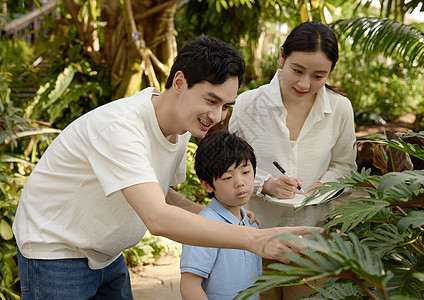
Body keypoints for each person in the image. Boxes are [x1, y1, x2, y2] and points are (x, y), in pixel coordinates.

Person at [12, 36, 320, 299]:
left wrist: (229, 220)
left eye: (225, 106)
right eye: (211, 100)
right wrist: (254, 240)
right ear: (180, 82)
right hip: (56, 251)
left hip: (106, 254)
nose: (216, 116)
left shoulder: (181, 126)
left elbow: (164, 195)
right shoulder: (121, 128)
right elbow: (158, 218)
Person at [228, 22, 357, 299]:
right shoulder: (248, 104)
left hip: (314, 243)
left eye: (318, 76)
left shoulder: (340, 109)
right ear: (282, 56)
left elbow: (346, 167)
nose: (304, 83)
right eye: (297, 70)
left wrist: (323, 185)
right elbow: (228, 167)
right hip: (255, 237)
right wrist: (265, 184)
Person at [180, 130, 262, 300]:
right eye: (227, 177)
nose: (240, 183)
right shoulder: (203, 228)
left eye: (245, 172)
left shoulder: (251, 223)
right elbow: (189, 286)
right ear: (207, 185)